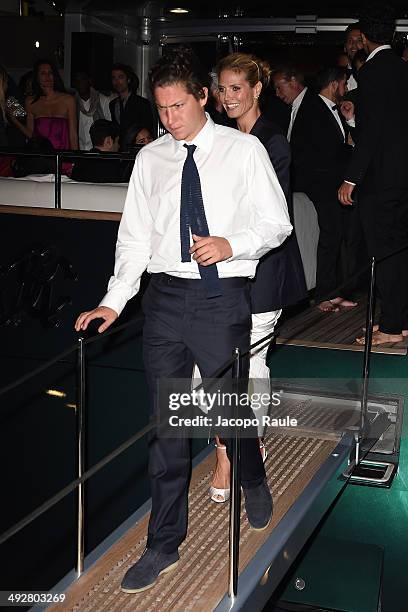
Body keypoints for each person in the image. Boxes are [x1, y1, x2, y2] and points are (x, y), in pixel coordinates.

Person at [75, 47, 292, 593]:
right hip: (166, 301)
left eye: (178, 107)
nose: (169, 120)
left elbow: (277, 224)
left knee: (226, 408)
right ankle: (163, 544)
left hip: (222, 298)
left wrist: (231, 243)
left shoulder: (243, 151)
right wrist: (115, 300)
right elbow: (134, 238)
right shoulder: (151, 159)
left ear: (205, 97)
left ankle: (253, 475)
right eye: (162, 110)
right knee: (167, 429)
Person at [201, 52, 306, 503]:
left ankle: (238, 448)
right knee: (212, 365)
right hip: (220, 270)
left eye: (236, 88)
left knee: (250, 365)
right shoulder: (218, 139)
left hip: (263, 269)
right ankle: (229, 445)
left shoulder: (273, 143)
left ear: (257, 89)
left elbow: (270, 219)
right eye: (222, 89)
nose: (227, 97)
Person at [338, 2, 408, 346]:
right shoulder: (403, 68)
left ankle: (392, 328)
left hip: (380, 181)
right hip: (403, 179)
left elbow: (371, 133)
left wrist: (352, 178)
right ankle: (399, 321)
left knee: (383, 253)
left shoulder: (372, 71)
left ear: (363, 37)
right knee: (400, 251)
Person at [290, 66, 358, 312]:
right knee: (330, 238)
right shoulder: (313, 110)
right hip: (321, 186)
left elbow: (343, 144)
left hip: (334, 184)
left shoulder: (335, 110)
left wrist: (350, 122)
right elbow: (325, 153)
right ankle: (324, 295)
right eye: (344, 84)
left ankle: (333, 292)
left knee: (337, 237)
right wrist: (348, 148)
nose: (347, 89)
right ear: (334, 83)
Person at [12, 59, 78, 152]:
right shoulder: (30, 102)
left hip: (63, 156)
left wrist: (76, 158)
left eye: (50, 72)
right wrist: (14, 120)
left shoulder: (68, 100)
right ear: (37, 77)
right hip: (41, 157)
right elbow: (31, 134)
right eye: (43, 73)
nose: (47, 76)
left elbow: (73, 134)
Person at [109, 63, 154, 146]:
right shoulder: (112, 104)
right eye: (114, 78)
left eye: (121, 77)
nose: (117, 81)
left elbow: (148, 129)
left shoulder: (141, 103)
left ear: (128, 80)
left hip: (138, 148)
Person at [72, 71, 111, 150]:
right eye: (77, 81)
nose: (80, 83)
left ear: (89, 81)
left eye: (83, 79)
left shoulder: (103, 100)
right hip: (79, 150)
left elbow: (109, 126)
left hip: (99, 150)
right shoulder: (72, 103)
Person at [344, 23, 364, 91]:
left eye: (359, 40)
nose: (354, 44)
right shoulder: (337, 76)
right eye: (350, 40)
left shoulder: (375, 73)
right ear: (345, 47)